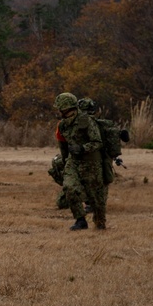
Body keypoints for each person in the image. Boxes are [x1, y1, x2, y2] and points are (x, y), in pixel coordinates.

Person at [54, 92, 107, 230]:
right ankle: (80, 220)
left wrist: (83, 148)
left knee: (95, 197)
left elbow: (97, 142)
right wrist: (65, 161)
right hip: (73, 161)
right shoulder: (63, 125)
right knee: (70, 188)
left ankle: (100, 222)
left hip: (91, 162)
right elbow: (63, 145)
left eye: (61, 108)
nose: (59, 111)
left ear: (68, 108)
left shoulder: (86, 121)